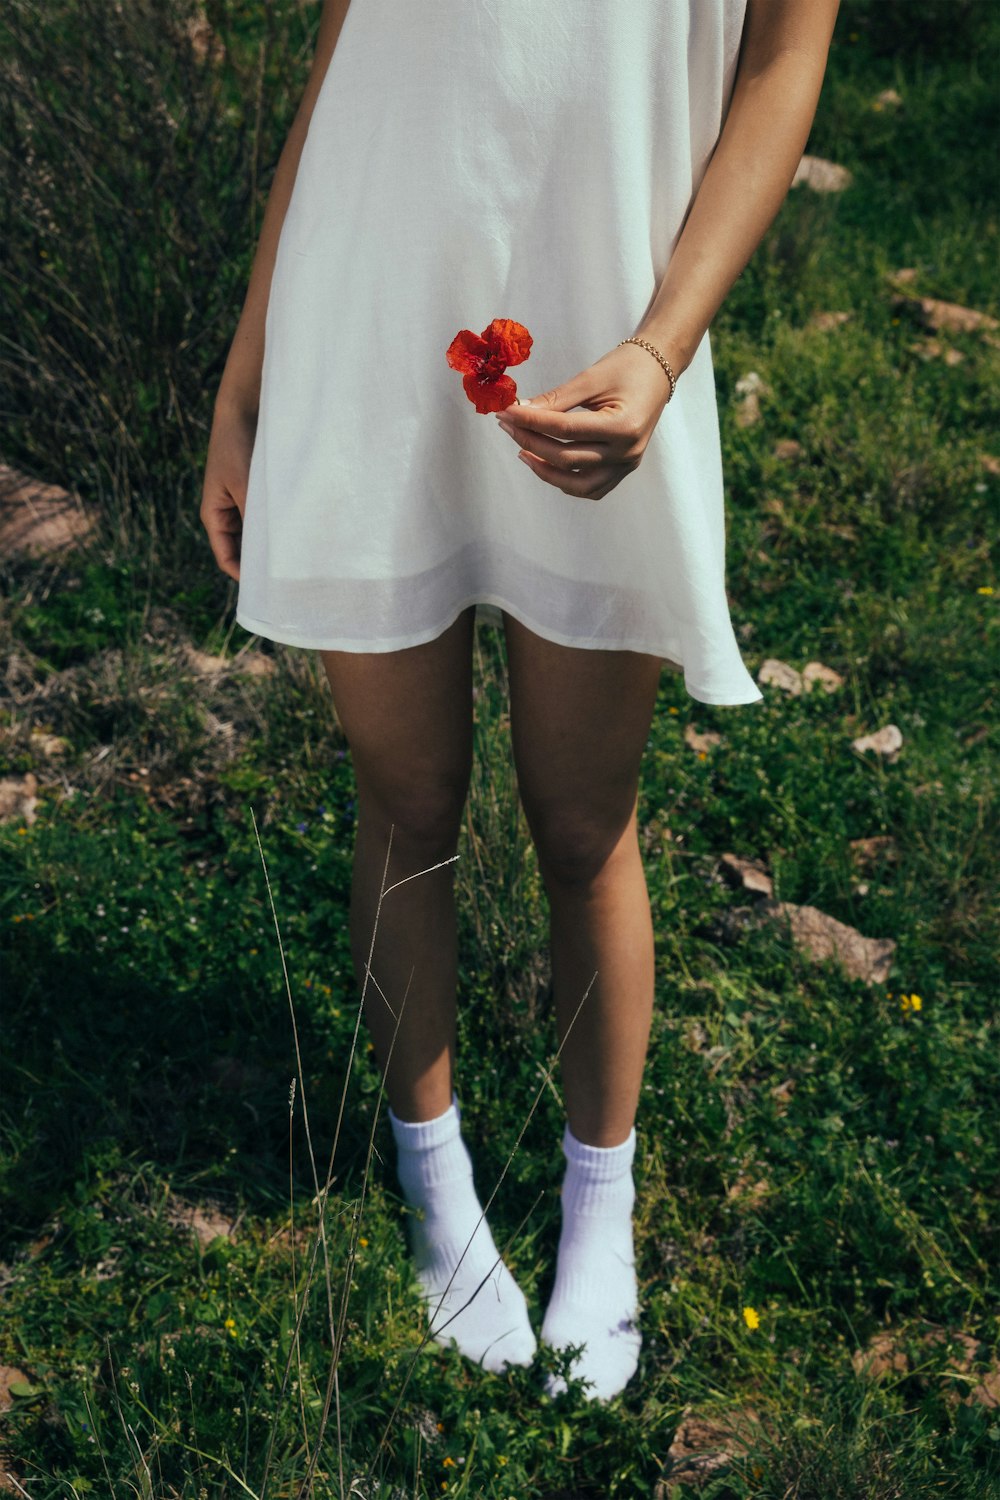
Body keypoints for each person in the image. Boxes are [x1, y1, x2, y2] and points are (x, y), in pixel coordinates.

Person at [201, 0, 842, 1403]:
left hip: (609, 320)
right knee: (408, 793)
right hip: (366, 303)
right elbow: (344, 52)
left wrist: (666, 350)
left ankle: (597, 1213)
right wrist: (251, 367)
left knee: (581, 815)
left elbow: (783, 68)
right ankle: (436, 1185)